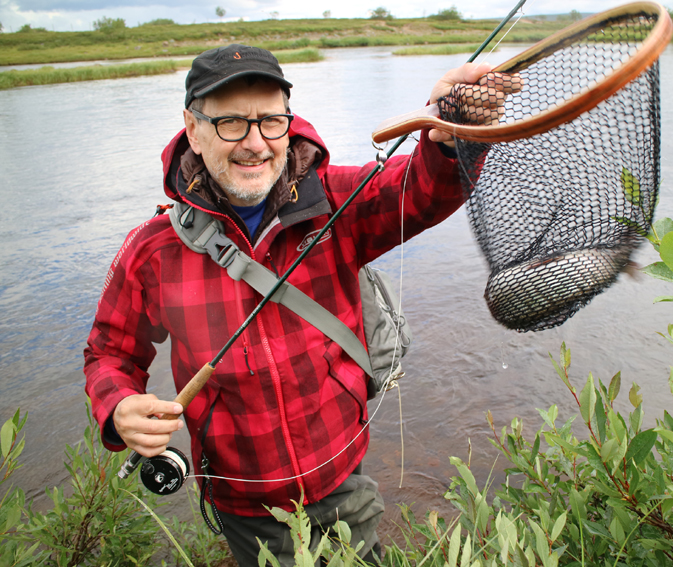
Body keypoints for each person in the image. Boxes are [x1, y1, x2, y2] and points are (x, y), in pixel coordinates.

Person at [84, 44, 514, 566]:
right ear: (192, 129)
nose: (254, 143)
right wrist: (119, 408)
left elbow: (420, 191)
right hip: (244, 503)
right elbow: (109, 353)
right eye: (231, 124)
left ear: (289, 123)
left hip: (340, 477)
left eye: (270, 121)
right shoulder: (152, 249)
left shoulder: (335, 203)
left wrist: (447, 140)